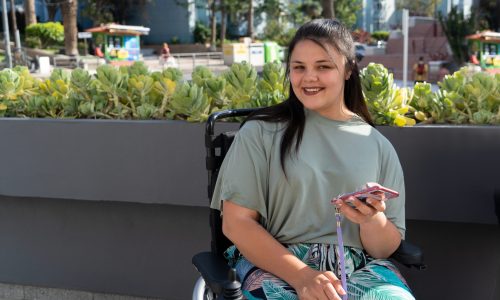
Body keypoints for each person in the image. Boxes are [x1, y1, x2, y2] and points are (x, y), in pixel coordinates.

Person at [210, 19, 414, 300]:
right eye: (299, 67)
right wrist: (303, 276)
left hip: (360, 269)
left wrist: (372, 219)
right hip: (277, 264)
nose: (309, 78)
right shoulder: (259, 132)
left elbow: (384, 249)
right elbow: (236, 223)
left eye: (323, 66)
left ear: (348, 70)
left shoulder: (378, 146)